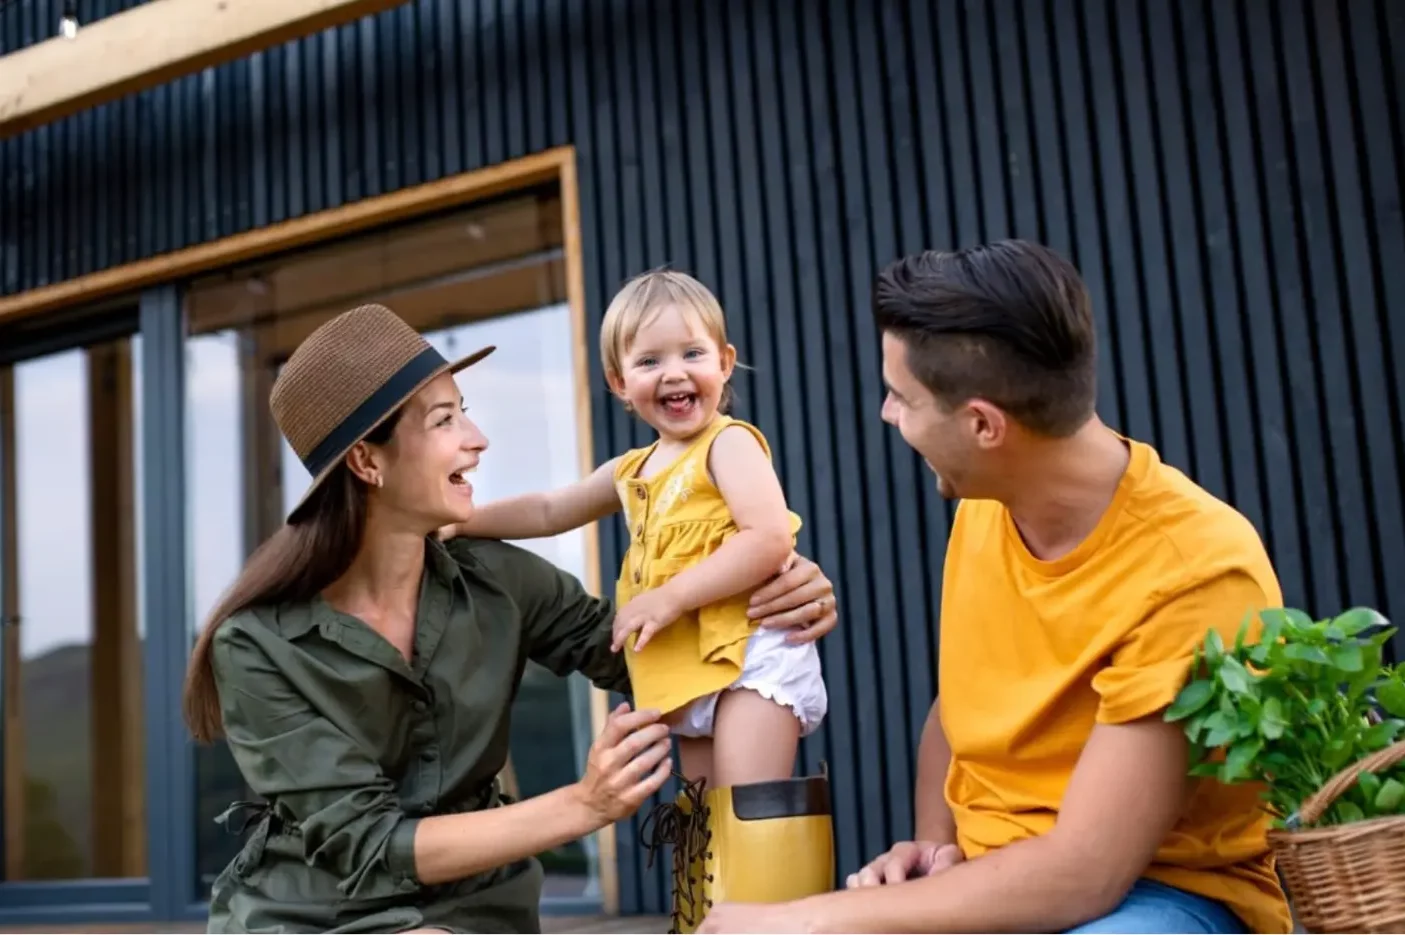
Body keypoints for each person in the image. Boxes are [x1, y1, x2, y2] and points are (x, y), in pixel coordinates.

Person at [180, 302, 840, 934]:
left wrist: (767, 597)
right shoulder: (255, 645)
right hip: (313, 913)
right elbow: (367, 842)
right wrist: (584, 803)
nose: (477, 438)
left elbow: (639, 653)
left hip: (474, 909)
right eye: (443, 421)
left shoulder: (498, 577)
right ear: (366, 460)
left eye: (462, 412)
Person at [697, 240, 1294, 934]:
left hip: (1158, 898)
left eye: (901, 396)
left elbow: (1083, 875)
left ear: (983, 424)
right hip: (1000, 877)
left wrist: (805, 920)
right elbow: (958, 710)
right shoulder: (986, 504)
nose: (888, 415)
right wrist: (932, 845)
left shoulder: (1193, 571)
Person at [439, 269, 834, 933]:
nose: (674, 373)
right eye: (649, 361)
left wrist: (672, 595)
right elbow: (548, 508)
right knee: (699, 820)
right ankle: (700, 922)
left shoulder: (727, 445)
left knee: (749, 812)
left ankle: (776, 925)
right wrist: (460, 520)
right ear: (620, 383)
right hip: (688, 672)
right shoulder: (632, 470)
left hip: (751, 656)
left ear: (723, 362)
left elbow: (767, 538)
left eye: (691, 354)